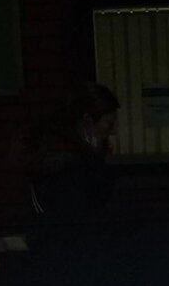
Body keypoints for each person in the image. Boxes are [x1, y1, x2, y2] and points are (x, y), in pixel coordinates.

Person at [19, 83, 119, 217]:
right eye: (109, 124)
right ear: (88, 122)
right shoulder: (69, 169)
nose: (113, 131)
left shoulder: (56, 158)